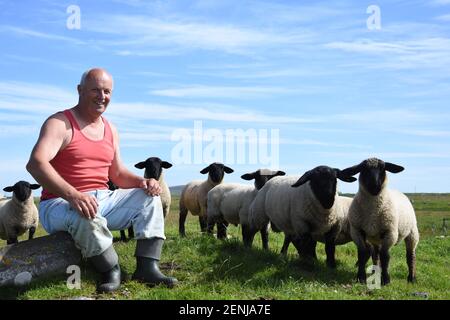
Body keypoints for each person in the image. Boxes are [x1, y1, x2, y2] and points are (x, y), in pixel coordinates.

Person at [26, 68, 178, 293]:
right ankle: (110, 268)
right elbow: (36, 163)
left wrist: (142, 182)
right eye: (95, 90)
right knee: (85, 214)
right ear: (80, 90)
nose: (102, 96)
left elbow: (116, 174)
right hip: (60, 203)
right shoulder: (60, 123)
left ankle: (147, 267)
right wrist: (73, 194)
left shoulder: (110, 129)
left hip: (102, 199)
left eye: (107, 91)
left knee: (150, 198)